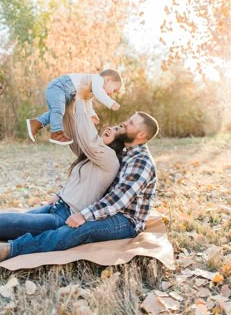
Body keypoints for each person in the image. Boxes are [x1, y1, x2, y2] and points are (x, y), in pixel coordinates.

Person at [0, 110, 159, 261]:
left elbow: (118, 200)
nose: (124, 123)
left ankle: (12, 249)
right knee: (11, 223)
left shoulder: (141, 162)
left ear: (141, 135)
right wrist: (62, 193)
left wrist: (84, 215)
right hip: (98, 210)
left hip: (126, 220)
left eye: (130, 123)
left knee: (80, 230)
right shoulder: (125, 152)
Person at [0, 98, 125, 241]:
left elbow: (87, 135)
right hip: (56, 206)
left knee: (11, 223)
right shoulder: (92, 154)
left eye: (116, 129)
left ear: (120, 141)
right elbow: (73, 133)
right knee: (10, 221)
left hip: (64, 217)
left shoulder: (110, 159)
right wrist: (70, 105)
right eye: (112, 126)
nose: (110, 128)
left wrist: (81, 100)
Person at [26, 69, 122, 145]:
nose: (111, 94)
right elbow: (99, 93)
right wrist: (111, 103)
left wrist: (91, 114)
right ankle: (56, 133)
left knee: (56, 112)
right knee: (58, 111)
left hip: (63, 92)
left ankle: (35, 123)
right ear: (108, 80)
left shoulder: (92, 88)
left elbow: (87, 103)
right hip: (59, 87)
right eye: (114, 90)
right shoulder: (98, 79)